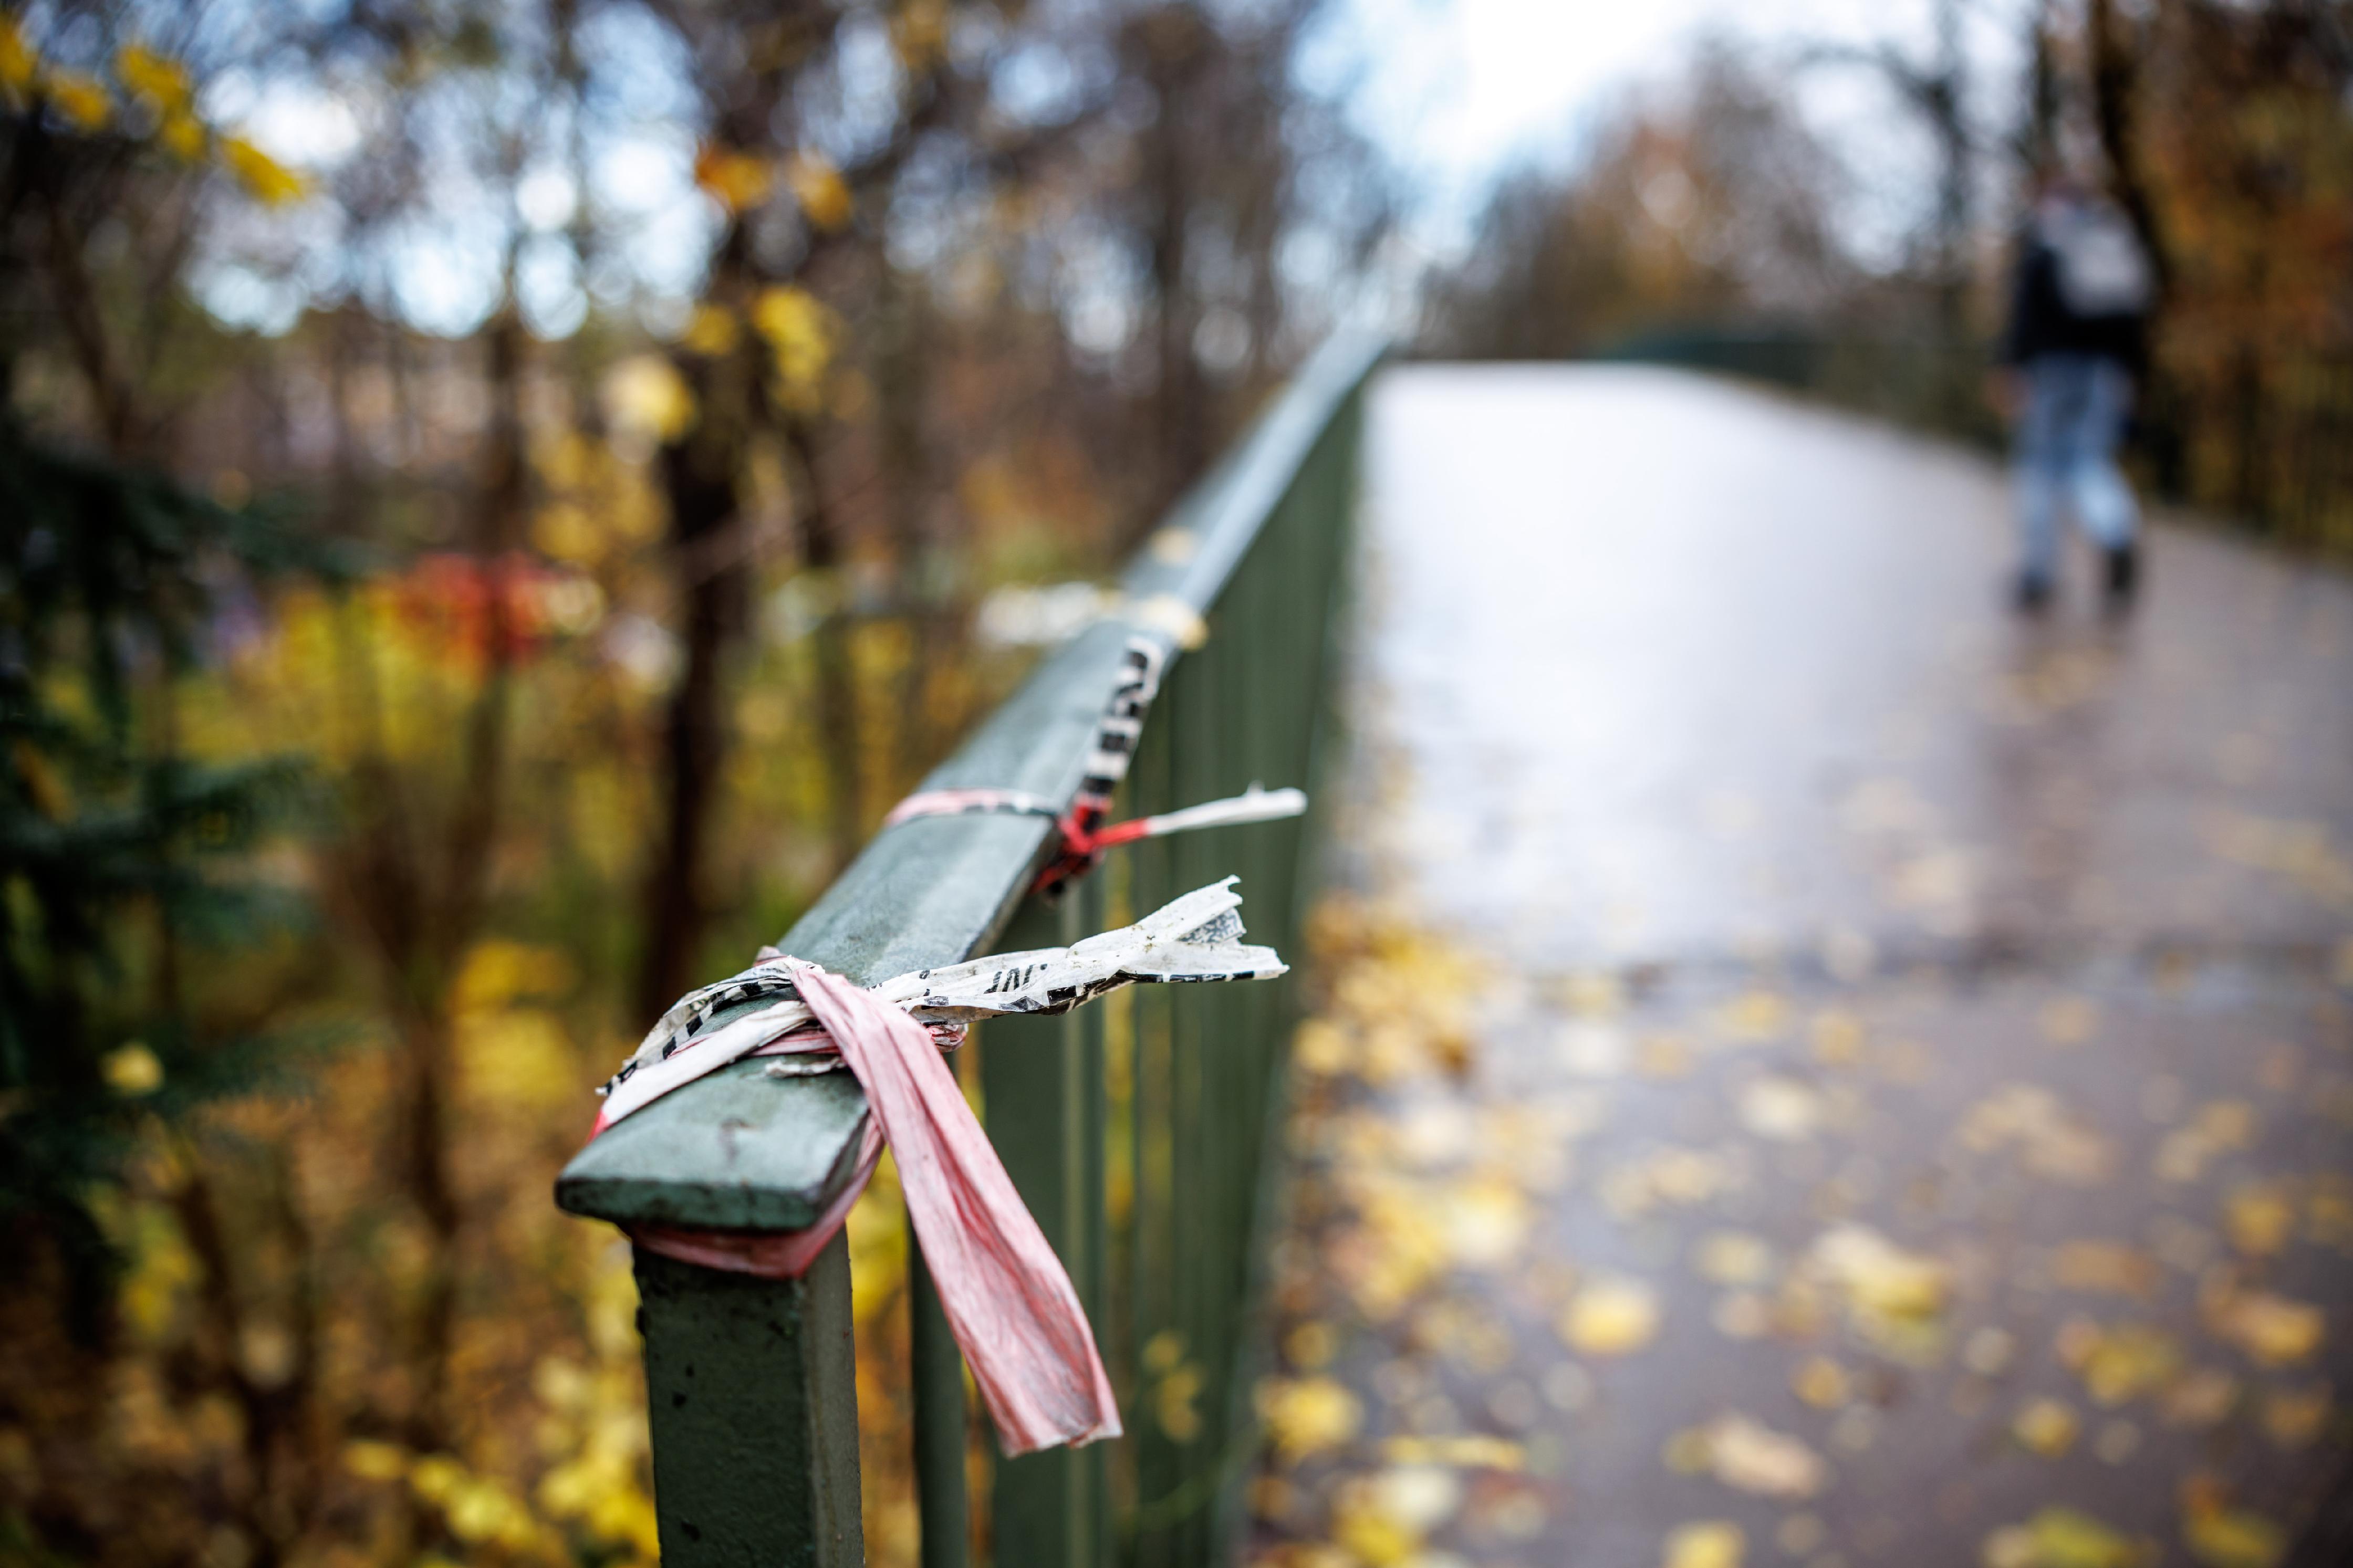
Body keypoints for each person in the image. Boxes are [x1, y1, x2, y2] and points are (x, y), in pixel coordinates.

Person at [1990, 173, 2154, 613]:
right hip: (2104, 374)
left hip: (2050, 373)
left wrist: (2011, 368)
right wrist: (2132, 375)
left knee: (2040, 467)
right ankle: (2115, 531)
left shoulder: (2046, 242)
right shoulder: (2110, 241)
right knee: (2089, 462)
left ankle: (2038, 575)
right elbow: (2133, 321)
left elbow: (2023, 314)